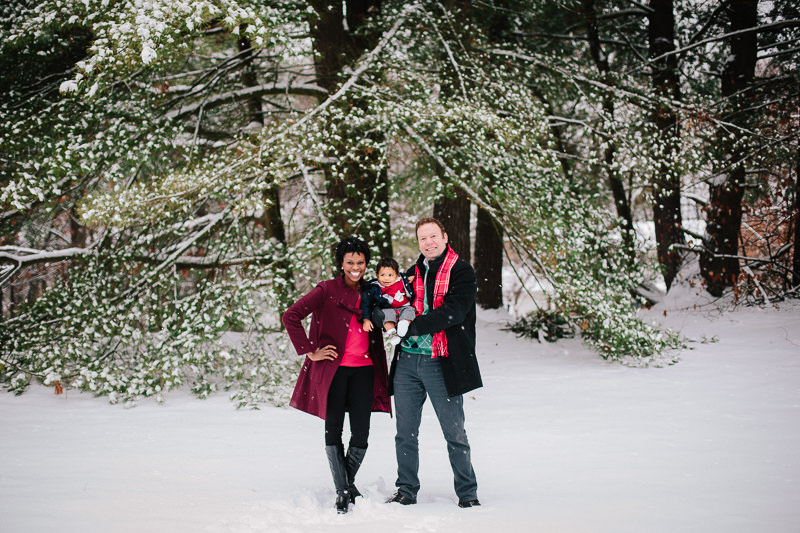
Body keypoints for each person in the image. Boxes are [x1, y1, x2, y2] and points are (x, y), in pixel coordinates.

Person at [282, 236, 391, 514]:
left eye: (361, 262)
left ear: (366, 264)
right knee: (333, 430)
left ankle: (346, 482)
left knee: (361, 434)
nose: (356, 267)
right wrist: (309, 350)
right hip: (334, 373)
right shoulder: (326, 290)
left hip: (365, 372)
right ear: (341, 264)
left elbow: (390, 308)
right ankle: (344, 491)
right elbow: (291, 315)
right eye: (350, 262)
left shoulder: (372, 290)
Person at [385, 217, 482, 508]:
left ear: (444, 236)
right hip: (407, 363)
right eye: (422, 238)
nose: (428, 242)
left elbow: (454, 312)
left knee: (454, 432)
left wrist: (411, 327)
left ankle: (468, 495)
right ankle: (406, 490)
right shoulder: (411, 274)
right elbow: (392, 304)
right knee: (405, 433)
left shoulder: (461, 271)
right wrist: (386, 319)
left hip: (442, 362)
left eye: (433, 236)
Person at [360, 257, 416, 346]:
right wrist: (366, 319)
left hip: (404, 306)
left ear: (397, 275)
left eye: (390, 275)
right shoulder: (374, 287)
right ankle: (392, 333)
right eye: (382, 275)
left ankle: (404, 324)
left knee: (410, 311)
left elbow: (411, 281)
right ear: (377, 275)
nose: (386, 278)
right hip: (388, 308)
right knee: (387, 315)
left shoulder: (402, 280)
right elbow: (366, 304)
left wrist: (413, 278)